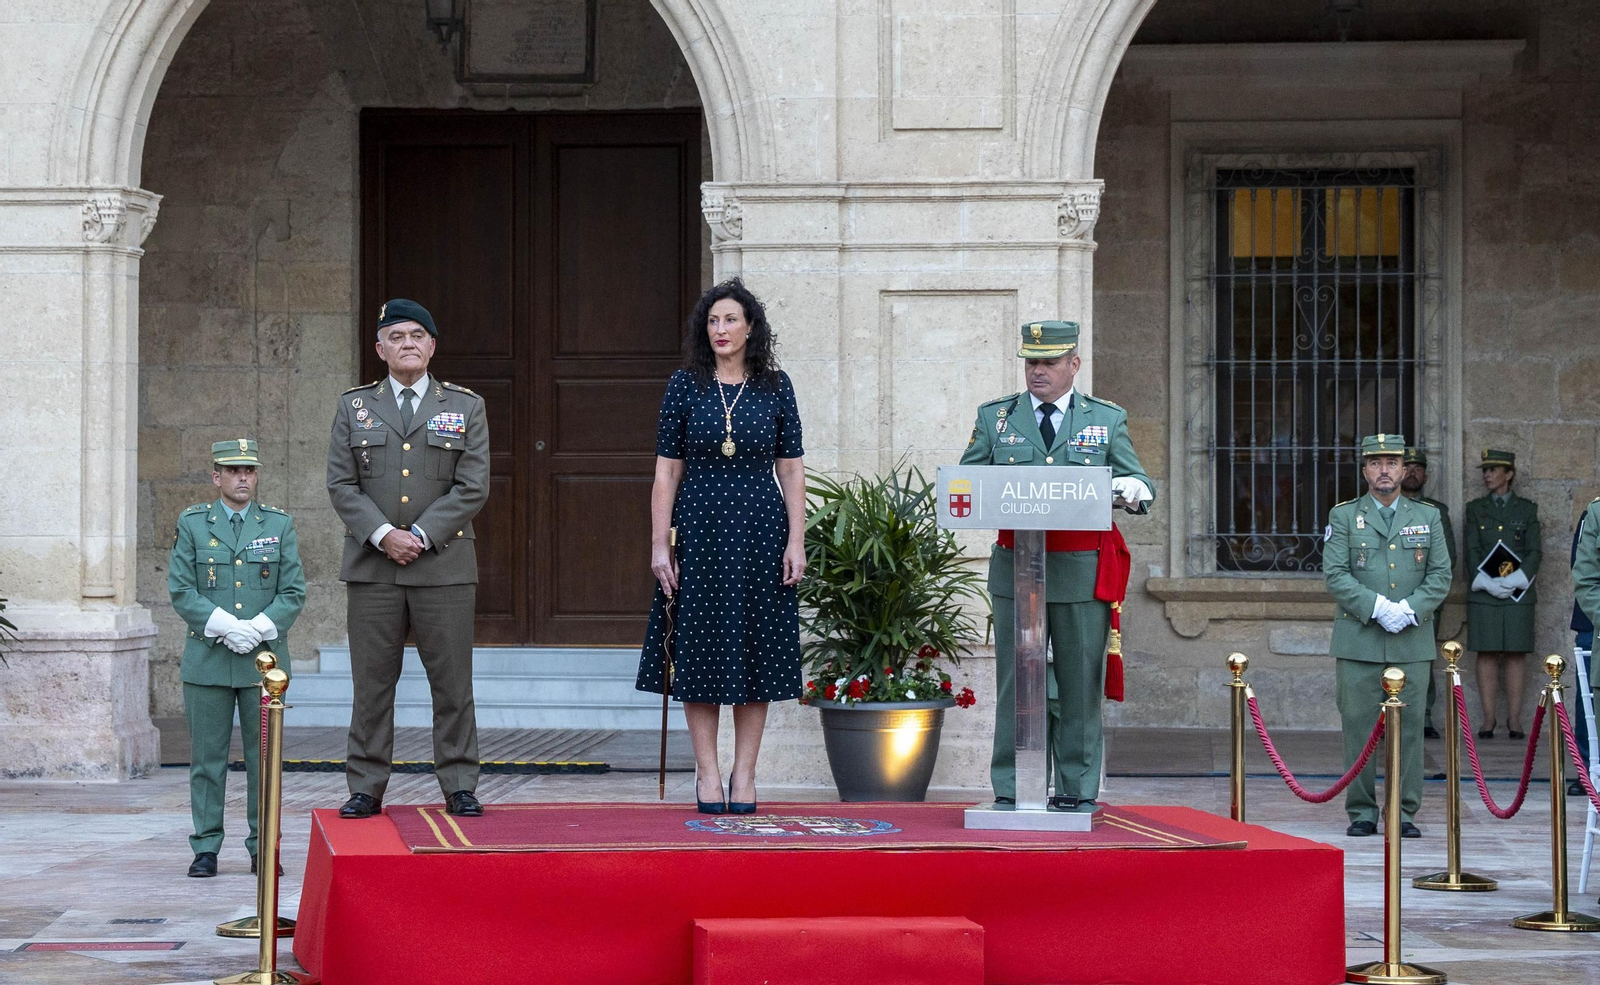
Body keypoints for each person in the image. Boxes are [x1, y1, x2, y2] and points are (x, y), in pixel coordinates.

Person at [960, 320, 1152, 812]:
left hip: (1077, 570)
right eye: (1031, 362)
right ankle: (1011, 785)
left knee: (1078, 683)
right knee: (1014, 682)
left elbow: (1137, 478)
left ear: (1074, 365)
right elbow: (967, 482)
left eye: (1048, 362)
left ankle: (1076, 787)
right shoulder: (996, 419)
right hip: (1016, 571)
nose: (1037, 371)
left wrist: (1134, 491)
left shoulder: (1105, 419)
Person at [636, 278, 806, 815]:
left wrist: (796, 540)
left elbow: (792, 468)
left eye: (730, 320)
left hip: (761, 532)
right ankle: (707, 774)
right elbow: (666, 472)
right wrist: (661, 546)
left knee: (757, 656)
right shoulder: (685, 385)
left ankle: (745, 775)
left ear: (750, 327)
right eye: (712, 321)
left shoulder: (776, 386)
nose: (721, 330)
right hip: (700, 532)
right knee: (700, 653)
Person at [326, 299, 490, 819]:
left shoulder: (465, 407)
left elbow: (473, 485)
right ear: (380, 349)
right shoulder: (354, 407)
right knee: (372, 684)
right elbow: (341, 484)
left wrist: (419, 534)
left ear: (433, 346)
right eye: (396, 336)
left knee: (453, 684)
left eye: (418, 335)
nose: (408, 344)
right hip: (374, 567)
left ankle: (460, 782)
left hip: (443, 567)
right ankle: (367, 785)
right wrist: (382, 535)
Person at [168, 439, 305, 877]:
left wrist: (257, 630)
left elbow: (293, 591)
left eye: (249, 470)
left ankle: (261, 845)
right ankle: (205, 847)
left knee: (264, 759)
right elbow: (181, 589)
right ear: (216, 477)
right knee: (207, 760)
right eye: (233, 471)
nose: (242, 477)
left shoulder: (278, 525)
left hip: (263, 665)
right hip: (208, 659)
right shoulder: (193, 524)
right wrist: (229, 626)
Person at [1323, 434, 1452, 838]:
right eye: (1376, 463)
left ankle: (1404, 812)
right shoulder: (1343, 516)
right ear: (1364, 470)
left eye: (1392, 463)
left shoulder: (1427, 516)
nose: (1384, 470)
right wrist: (1378, 608)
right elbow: (1336, 574)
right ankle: (1361, 811)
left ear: (1404, 470)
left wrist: (1409, 610)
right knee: (1358, 729)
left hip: (1410, 639)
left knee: (1410, 731)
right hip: (1359, 639)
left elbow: (1441, 575)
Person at [1464, 449, 1540, 740]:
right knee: (1486, 651)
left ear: (1509, 474)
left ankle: (1515, 720)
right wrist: (1485, 580)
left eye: (1494, 470)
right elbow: (1472, 549)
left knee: (1515, 653)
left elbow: (1534, 551)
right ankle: (1488, 719)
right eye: (1485, 470)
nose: (1487, 475)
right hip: (1485, 590)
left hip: (1518, 593)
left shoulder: (1526, 509)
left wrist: (1518, 579)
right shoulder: (1475, 508)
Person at [1401, 447, 1456, 738]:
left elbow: (1447, 559)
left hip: (1425, 602)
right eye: (1406, 466)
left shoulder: (1436, 512)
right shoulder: (1386, 508)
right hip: (1386, 600)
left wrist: (1422, 597)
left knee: (1422, 659)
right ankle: (1385, 716)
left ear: (1425, 474)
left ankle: (1422, 716)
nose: (1411, 472)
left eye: (1417, 468)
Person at [1569, 503, 1598, 798]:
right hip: (1594, 621)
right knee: (1588, 697)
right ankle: (1587, 770)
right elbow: (1582, 568)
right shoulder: (1594, 513)